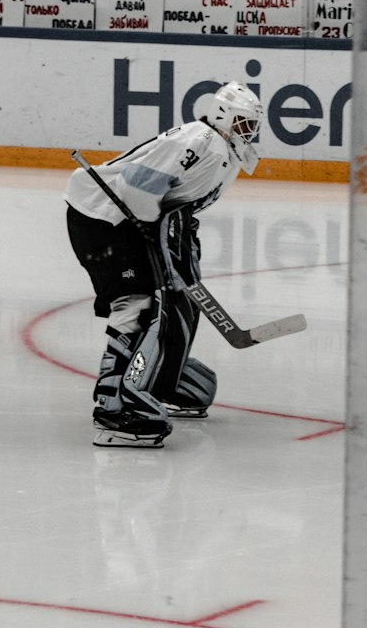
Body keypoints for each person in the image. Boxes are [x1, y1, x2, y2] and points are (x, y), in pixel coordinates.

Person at [65, 81, 265, 447]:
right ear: (224, 115)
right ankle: (114, 406)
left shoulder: (220, 148)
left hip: (125, 220)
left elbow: (171, 200)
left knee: (173, 299)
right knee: (138, 301)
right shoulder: (201, 140)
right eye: (243, 123)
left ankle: (158, 378)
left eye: (251, 126)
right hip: (104, 218)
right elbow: (139, 186)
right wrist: (151, 237)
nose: (248, 133)